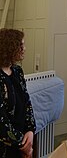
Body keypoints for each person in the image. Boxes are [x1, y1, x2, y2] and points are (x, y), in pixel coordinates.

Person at [0, 28, 36, 158]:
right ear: (10, 47)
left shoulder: (17, 71)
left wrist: (30, 131)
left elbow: (27, 103)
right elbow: (1, 119)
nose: (24, 48)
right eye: (21, 45)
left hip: (24, 137)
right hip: (5, 147)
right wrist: (22, 144)